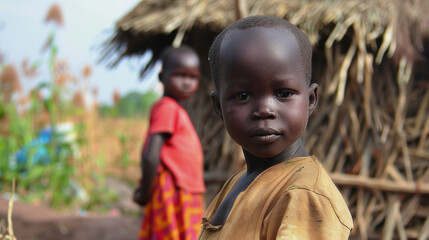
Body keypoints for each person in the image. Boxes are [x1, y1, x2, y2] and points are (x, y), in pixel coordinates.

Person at [199, 15, 353, 239]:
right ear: (218, 107)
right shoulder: (238, 182)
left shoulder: (305, 195)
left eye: (283, 93)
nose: (264, 110)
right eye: (243, 96)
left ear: (310, 100)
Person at [133, 46, 206, 240]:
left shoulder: (174, 110)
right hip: (173, 190)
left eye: (193, 77)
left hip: (183, 189)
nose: (187, 82)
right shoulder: (167, 109)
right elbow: (151, 155)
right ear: (162, 76)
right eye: (180, 75)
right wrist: (145, 192)